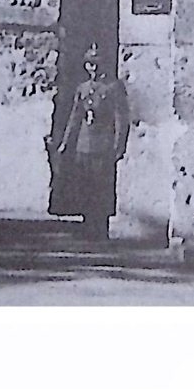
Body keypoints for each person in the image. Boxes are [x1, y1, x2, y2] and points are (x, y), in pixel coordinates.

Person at [50, 41, 130, 241]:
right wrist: (66, 142)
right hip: (83, 145)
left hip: (102, 146)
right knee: (84, 185)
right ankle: (87, 224)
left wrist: (118, 146)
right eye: (89, 64)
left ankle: (100, 226)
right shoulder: (83, 88)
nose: (92, 68)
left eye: (96, 64)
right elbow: (75, 117)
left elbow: (121, 119)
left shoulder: (114, 87)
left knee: (100, 187)